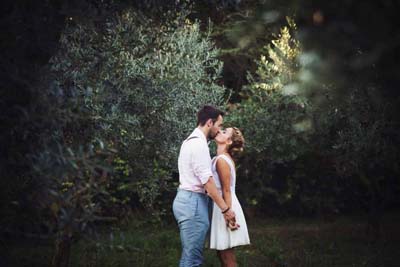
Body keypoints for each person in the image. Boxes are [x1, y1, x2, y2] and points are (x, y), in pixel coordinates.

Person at [172, 105, 238, 267]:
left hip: (189, 200)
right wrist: (226, 210)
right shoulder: (198, 145)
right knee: (192, 259)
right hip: (193, 203)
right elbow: (208, 183)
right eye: (219, 125)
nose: (219, 129)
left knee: (191, 256)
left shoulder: (192, 141)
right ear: (210, 122)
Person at [209, 127, 250, 267]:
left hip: (226, 206)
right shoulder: (221, 158)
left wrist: (228, 215)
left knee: (227, 257)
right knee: (222, 254)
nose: (219, 131)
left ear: (229, 141)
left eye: (224, 132)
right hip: (223, 206)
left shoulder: (222, 160)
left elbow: (226, 190)